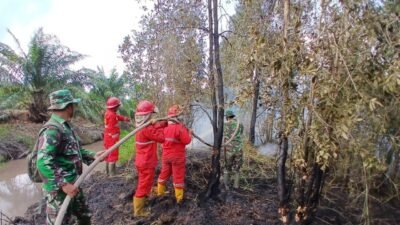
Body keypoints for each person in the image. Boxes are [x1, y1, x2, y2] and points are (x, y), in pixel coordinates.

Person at [36, 89, 101, 225]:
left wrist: (92, 156)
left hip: (74, 184)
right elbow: (42, 162)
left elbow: (74, 150)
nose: (74, 108)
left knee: (84, 217)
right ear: (68, 106)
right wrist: (63, 184)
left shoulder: (65, 126)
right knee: (60, 222)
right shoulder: (52, 130)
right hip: (59, 192)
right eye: (73, 105)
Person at [133, 100, 167, 217]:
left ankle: (145, 198)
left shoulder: (141, 127)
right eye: (151, 114)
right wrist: (159, 125)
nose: (153, 116)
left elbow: (155, 128)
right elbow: (161, 137)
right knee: (143, 185)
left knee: (146, 183)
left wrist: (163, 123)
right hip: (146, 162)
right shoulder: (146, 129)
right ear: (147, 116)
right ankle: (139, 211)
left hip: (143, 161)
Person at [157, 105, 192, 204]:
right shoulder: (179, 128)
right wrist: (189, 133)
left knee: (164, 173)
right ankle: (179, 198)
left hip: (166, 156)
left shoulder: (165, 128)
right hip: (177, 157)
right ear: (178, 117)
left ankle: (160, 193)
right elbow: (187, 141)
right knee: (178, 176)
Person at [103, 97, 130, 175]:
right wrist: (115, 138)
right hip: (111, 138)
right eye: (117, 106)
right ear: (115, 107)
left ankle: (108, 173)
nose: (118, 107)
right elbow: (111, 128)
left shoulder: (109, 113)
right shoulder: (111, 115)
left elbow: (117, 117)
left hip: (107, 137)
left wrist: (124, 118)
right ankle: (112, 174)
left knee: (108, 154)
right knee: (113, 155)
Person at [222, 110, 244, 190]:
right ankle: (236, 186)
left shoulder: (224, 125)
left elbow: (222, 134)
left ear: (227, 117)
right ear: (233, 116)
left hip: (228, 150)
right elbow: (241, 133)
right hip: (238, 149)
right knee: (237, 168)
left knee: (227, 168)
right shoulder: (240, 124)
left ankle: (226, 186)